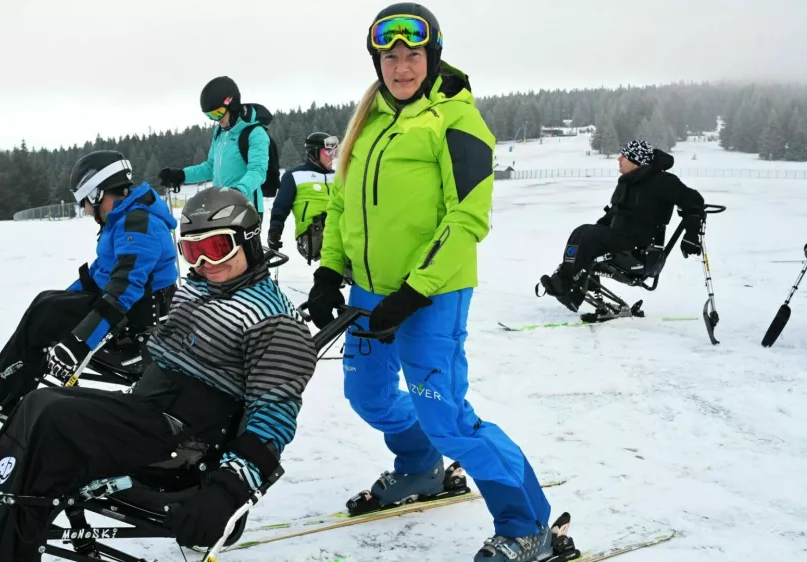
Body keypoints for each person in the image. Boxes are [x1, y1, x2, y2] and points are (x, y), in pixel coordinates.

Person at [0, 186, 317, 562]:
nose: (205, 262)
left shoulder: (274, 320)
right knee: (36, 405)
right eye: (192, 251)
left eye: (217, 247)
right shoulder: (204, 287)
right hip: (152, 406)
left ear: (248, 239)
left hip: (186, 435)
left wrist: (226, 491)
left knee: (56, 423)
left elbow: (274, 416)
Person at [304, 4, 555, 561]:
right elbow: (343, 205)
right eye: (389, 56)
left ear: (431, 55)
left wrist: (415, 291)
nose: (401, 66)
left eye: (412, 54)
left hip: (433, 295)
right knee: (368, 396)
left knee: (449, 418)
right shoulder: (368, 123)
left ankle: (527, 525)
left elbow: (466, 219)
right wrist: (328, 271)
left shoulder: (457, 120)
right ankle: (419, 468)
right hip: (370, 292)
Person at [0, 150, 179, 420]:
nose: (84, 208)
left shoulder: (138, 224)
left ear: (97, 194)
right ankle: (7, 389)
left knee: (47, 314)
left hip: (137, 325)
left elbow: (123, 291)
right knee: (46, 302)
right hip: (124, 313)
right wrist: (62, 299)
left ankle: (4, 394)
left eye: (85, 201)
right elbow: (99, 274)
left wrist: (78, 342)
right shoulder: (123, 219)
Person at [538, 139, 706, 312]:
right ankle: (568, 281)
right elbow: (612, 216)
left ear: (636, 161)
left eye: (624, 156)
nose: (619, 159)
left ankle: (568, 289)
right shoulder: (626, 184)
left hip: (640, 251)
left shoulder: (663, 181)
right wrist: (596, 233)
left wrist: (691, 235)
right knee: (583, 234)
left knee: (584, 233)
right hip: (620, 242)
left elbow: (694, 202)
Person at [159, 76, 272, 215]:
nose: (216, 120)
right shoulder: (220, 132)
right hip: (220, 208)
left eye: (218, 113)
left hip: (245, 208)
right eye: (210, 116)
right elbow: (210, 167)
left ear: (232, 104)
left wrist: (238, 192)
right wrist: (181, 175)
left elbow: (258, 171)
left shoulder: (255, 132)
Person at [268, 132, 338, 264]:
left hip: (338, 227)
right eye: (328, 153)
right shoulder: (294, 176)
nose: (332, 157)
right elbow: (281, 205)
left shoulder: (338, 177)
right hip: (314, 233)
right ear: (314, 153)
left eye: (333, 152)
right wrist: (275, 230)